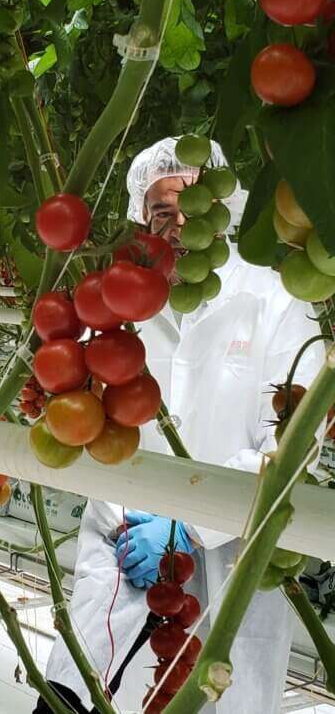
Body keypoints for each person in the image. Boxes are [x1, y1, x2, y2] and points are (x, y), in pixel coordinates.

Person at [36, 137, 325, 714]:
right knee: (82, 692)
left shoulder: (276, 300)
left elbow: (296, 444)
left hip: (228, 557)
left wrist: (189, 524)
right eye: (160, 211)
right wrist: (137, 514)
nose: (175, 225)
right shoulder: (121, 306)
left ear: (224, 208)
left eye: (190, 206)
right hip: (126, 547)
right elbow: (101, 428)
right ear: (140, 220)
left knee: (212, 691)